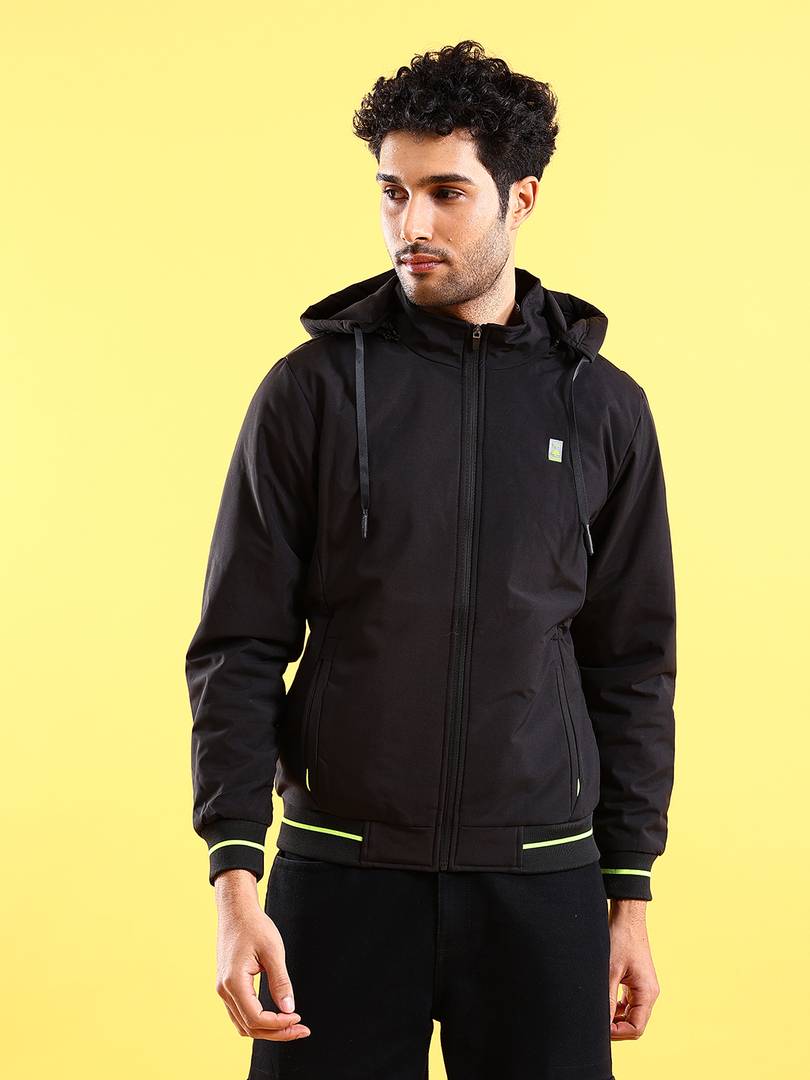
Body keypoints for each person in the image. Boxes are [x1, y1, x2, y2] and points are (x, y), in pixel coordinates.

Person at [185, 39, 677, 1080]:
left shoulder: (602, 406)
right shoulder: (311, 392)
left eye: (447, 193)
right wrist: (235, 881)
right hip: (340, 876)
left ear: (520, 197)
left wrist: (629, 894)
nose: (412, 224)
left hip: (542, 881)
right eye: (392, 191)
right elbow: (238, 644)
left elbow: (632, 661)